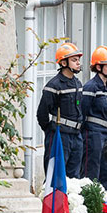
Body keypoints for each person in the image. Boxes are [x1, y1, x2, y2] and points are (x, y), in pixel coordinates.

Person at [36, 42, 84, 178]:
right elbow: (42, 114)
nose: (78, 63)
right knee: (55, 176)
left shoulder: (78, 83)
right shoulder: (54, 85)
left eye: (78, 60)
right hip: (59, 134)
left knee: (74, 177)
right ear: (63, 63)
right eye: (74, 60)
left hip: (76, 135)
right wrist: (50, 131)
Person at [81, 46, 107, 193]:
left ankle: (104, 204)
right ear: (98, 67)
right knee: (92, 170)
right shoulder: (91, 87)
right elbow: (83, 111)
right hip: (93, 133)